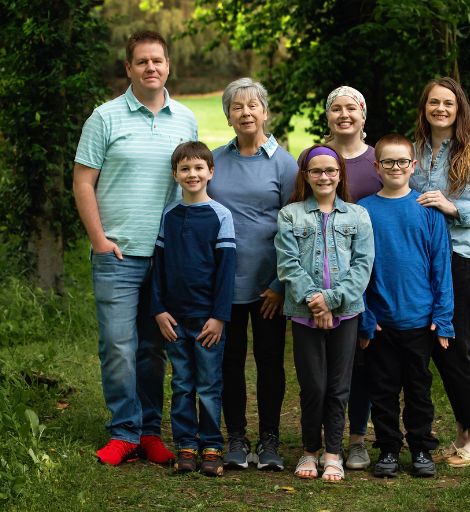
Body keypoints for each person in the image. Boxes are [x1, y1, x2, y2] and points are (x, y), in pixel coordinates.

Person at [73, 30, 198, 466]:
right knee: (117, 345)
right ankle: (122, 431)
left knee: (152, 348)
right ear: (128, 69)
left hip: (164, 255)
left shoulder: (185, 120)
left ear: (168, 66)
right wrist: (99, 240)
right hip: (117, 254)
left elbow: (191, 181)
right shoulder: (104, 117)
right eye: (142, 61)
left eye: (157, 61)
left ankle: (149, 432)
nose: (151, 68)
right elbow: (83, 181)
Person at [411, 77, 470, 467]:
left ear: (459, 109)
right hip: (422, 260)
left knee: (458, 344)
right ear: (425, 107)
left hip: (459, 258)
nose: (441, 109)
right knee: (436, 346)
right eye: (434, 102)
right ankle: (463, 433)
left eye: (448, 103)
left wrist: (455, 208)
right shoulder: (413, 152)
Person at [208, 77, 298, 471]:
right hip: (226, 283)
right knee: (229, 363)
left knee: (269, 362)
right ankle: (236, 438)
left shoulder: (283, 162)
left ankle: (270, 439)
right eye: (237, 107)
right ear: (228, 116)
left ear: (265, 111)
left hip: (269, 287)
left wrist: (280, 284)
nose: (245, 113)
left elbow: (296, 228)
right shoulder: (215, 160)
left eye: (252, 105)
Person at [357, 133, 454, 478]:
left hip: (419, 321)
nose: (395, 167)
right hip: (380, 321)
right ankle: (387, 450)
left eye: (402, 161)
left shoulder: (426, 211)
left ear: (413, 166)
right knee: (382, 392)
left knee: (418, 391)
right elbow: (359, 271)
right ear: (376, 166)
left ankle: (420, 450)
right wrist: (366, 317)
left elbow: (441, 266)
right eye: (388, 162)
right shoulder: (364, 211)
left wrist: (443, 318)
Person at [275, 145, 374, 481]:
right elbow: (288, 264)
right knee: (313, 385)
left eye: (331, 170)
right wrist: (314, 300)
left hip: (346, 313)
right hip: (304, 314)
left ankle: (333, 452)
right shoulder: (291, 215)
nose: (324, 176)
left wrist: (331, 301)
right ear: (306, 175)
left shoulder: (357, 216)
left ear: (340, 174)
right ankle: (309, 450)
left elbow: (363, 265)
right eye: (316, 171)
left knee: (338, 385)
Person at [150, 141, 236, 476]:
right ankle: (186, 444)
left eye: (199, 168)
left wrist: (219, 317)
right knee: (182, 383)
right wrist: (158, 309)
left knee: (209, 385)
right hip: (174, 319)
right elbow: (157, 267)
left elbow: (226, 270)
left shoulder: (220, 215)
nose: (192, 174)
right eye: (185, 169)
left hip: (207, 321)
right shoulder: (169, 216)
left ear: (211, 172)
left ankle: (212, 445)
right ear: (175, 174)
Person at [320, 86, 382, 470]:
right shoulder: (317, 157)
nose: (344, 114)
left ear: (362, 114)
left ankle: (357, 438)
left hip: (369, 272)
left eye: (351, 108)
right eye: (336, 109)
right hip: (324, 277)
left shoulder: (379, 160)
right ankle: (325, 436)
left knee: (363, 357)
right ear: (328, 116)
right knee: (327, 361)